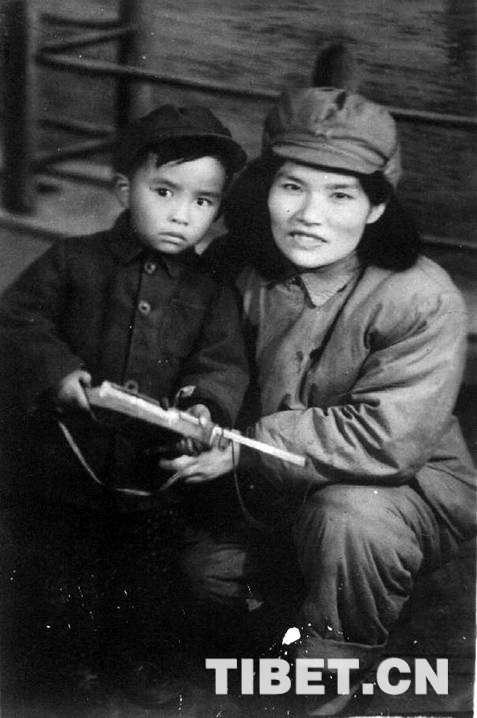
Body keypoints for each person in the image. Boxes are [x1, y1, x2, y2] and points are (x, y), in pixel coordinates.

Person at [161, 87, 477, 715]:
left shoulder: (421, 296)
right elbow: (198, 362)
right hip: (266, 486)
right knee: (203, 578)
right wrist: (201, 412)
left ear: (377, 206)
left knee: (349, 521)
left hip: (398, 489)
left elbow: (387, 441)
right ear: (266, 189)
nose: (310, 215)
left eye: (341, 195)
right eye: (292, 187)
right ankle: (331, 602)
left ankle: (332, 664)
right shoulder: (235, 267)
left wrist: (246, 447)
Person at [0, 103, 248, 707]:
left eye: (203, 201)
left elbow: (221, 363)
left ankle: (136, 660)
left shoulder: (211, 292)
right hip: (61, 466)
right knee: (56, 569)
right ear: (122, 190)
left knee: (143, 572)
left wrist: (204, 408)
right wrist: (58, 373)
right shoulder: (73, 260)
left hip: (146, 475)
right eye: (164, 191)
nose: (181, 214)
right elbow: (18, 319)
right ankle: (63, 670)